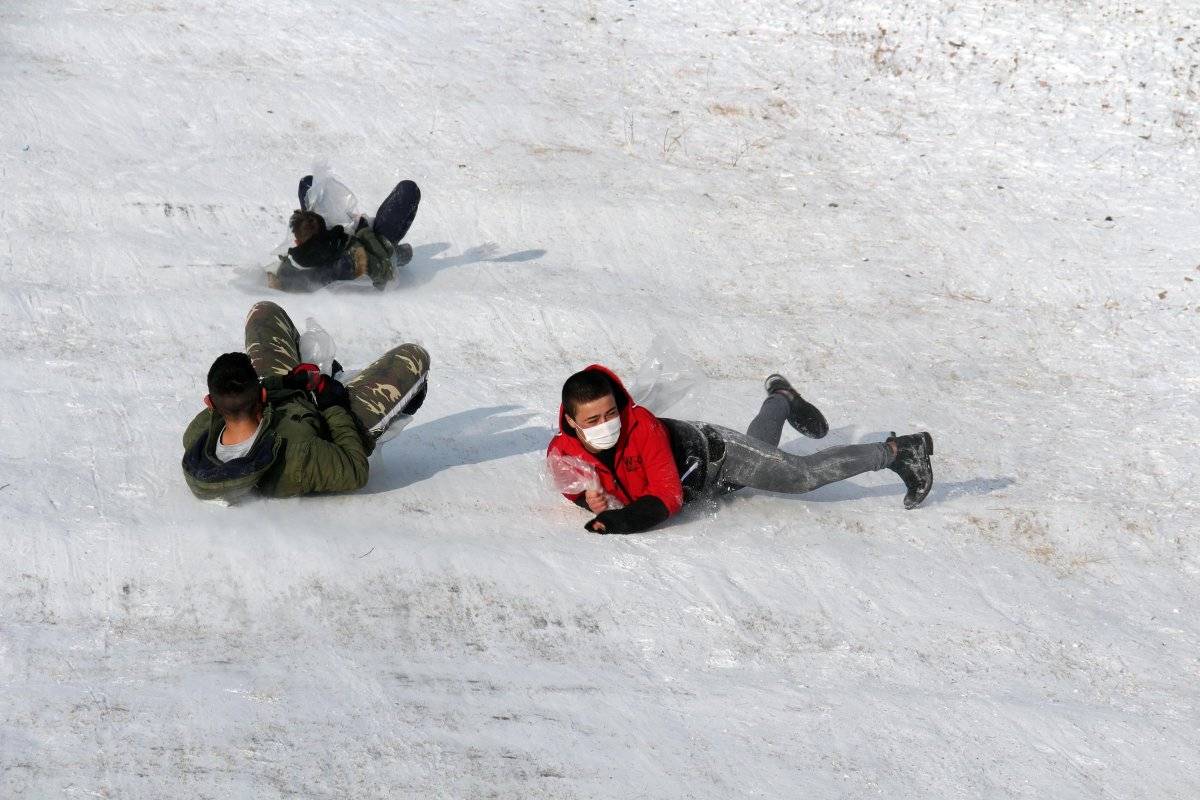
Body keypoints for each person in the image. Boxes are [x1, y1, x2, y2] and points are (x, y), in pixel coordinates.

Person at [546, 365, 934, 534]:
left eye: (610, 413)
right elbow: (570, 485)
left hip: (719, 456)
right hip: (703, 482)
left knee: (800, 476)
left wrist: (619, 521)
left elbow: (667, 495)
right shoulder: (563, 453)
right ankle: (782, 398)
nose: (606, 424)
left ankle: (899, 451)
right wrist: (588, 501)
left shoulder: (641, 426)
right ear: (572, 423)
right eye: (593, 420)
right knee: (764, 448)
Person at [181, 301, 430, 501]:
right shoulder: (299, 457)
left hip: (288, 401)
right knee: (413, 356)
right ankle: (390, 414)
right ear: (262, 396)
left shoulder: (197, 436)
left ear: (210, 403)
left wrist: (285, 383)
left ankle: (325, 376)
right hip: (332, 423)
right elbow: (355, 470)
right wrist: (333, 405)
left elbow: (239, 399)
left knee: (264, 311)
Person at [266, 175, 419, 292]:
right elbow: (382, 268)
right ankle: (400, 254)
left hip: (347, 241)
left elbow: (278, 275)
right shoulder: (346, 262)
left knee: (308, 183)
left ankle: (399, 253)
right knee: (408, 190)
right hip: (375, 245)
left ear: (297, 242)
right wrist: (363, 230)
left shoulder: (296, 257)